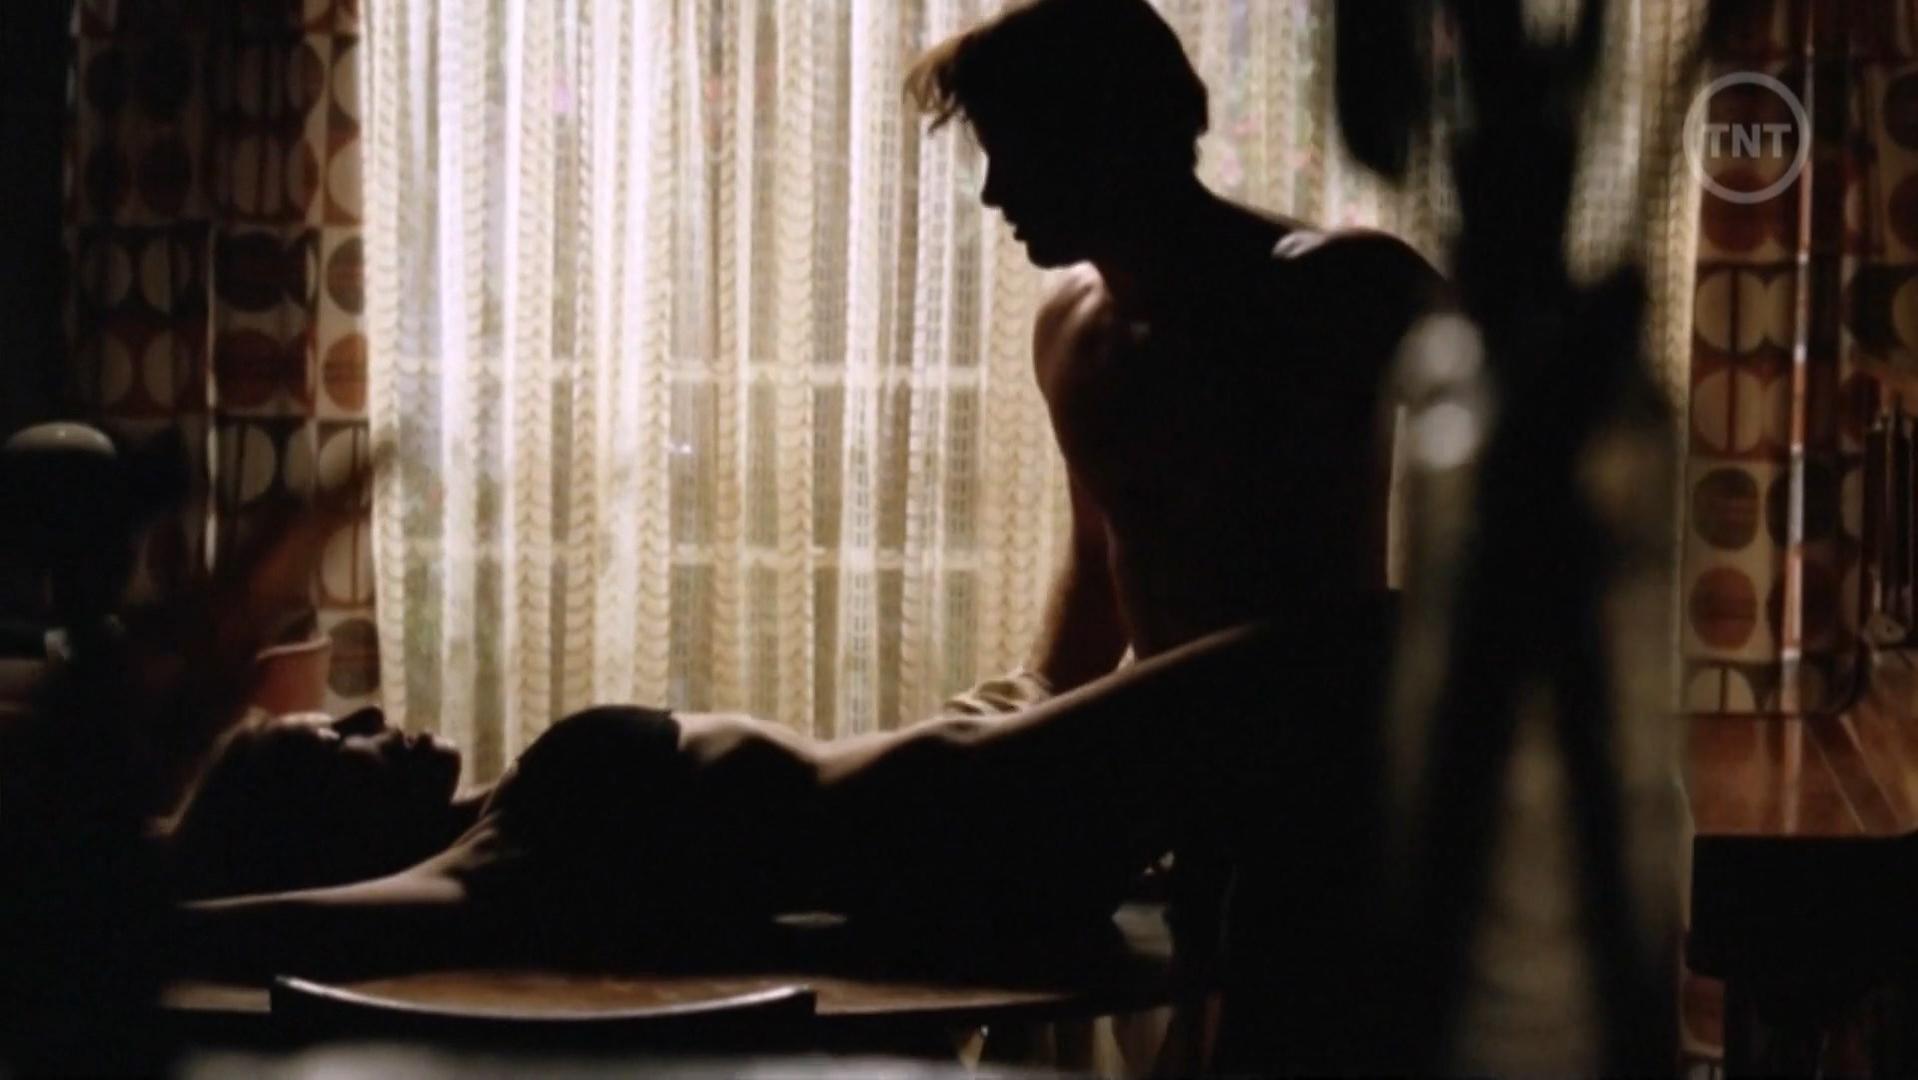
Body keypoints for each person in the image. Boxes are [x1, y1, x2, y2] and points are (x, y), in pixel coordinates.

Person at [165, 621, 1339, 982]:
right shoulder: (490, 869)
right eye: (335, 747)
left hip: (981, 803)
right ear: (327, 833)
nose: (370, 715)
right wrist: (130, 924)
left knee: (1337, 687)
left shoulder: (498, 822)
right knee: (1341, 656)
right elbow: (301, 925)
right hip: (984, 817)